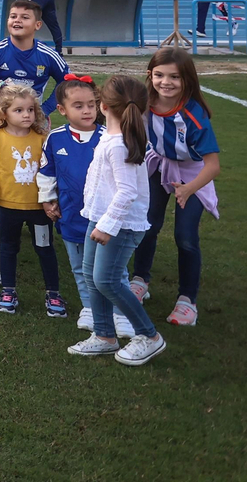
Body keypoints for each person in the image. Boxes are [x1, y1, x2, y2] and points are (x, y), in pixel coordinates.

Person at [68, 75, 166, 366]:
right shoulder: (111, 138)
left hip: (118, 226)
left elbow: (127, 192)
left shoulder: (118, 144)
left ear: (103, 105)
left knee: (107, 280)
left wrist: (107, 226)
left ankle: (148, 336)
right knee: (91, 275)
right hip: (100, 219)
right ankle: (104, 335)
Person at [133, 49, 220, 329]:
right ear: (150, 75)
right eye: (159, 75)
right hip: (159, 165)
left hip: (193, 175)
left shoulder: (193, 115)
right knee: (147, 225)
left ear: (187, 80)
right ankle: (139, 280)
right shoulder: (143, 103)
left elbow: (213, 166)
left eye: (174, 76)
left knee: (185, 236)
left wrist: (188, 189)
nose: (165, 82)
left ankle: (187, 300)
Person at [38, 74, 117, 333]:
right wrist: (48, 200)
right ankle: (89, 307)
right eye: (78, 106)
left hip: (104, 218)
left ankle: (117, 311)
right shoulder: (55, 138)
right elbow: (46, 172)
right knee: (80, 267)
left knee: (110, 269)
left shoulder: (109, 138)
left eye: (91, 105)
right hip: (71, 215)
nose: (87, 111)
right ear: (61, 110)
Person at [0, 80, 64, 316]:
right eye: (18, 110)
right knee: (7, 248)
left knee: (45, 248)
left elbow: (52, 171)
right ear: (2, 112)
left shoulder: (42, 138)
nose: (26, 115)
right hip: (8, 208)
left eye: (30, 109)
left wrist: (54, 200)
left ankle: (53, 293)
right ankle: (8, 291)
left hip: (40, 209)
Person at [0, 1, 69, 122]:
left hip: (32, 119)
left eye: (24, 17)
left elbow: (66, 81)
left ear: (38, 25)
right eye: (13, 16)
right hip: (0, 118)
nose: (17, 20)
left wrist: (44, 109)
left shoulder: (48, 55)